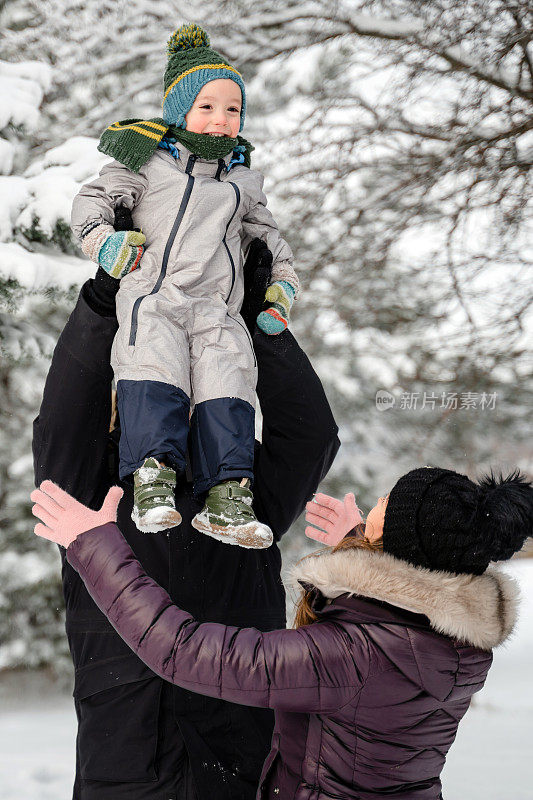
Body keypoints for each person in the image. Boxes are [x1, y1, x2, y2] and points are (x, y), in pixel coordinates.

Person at [32, 233, 340, 798]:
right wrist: (104, 301)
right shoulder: (97, 497)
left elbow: (311, 436)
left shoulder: (248, 502)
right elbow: (63, 421)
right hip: (127, 772)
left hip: (240, 766)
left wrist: (259, 332)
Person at [31, 467, 532, 799]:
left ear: (394, 538)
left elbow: (185, 651)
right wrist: (362, 549)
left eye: (386, 504)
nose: (377, 501)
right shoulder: (458, 641)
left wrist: (92, 544)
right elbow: (402, 607)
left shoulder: (350, 657)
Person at [71, 22, 300, 542]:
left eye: (233, 109)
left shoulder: (243, 179)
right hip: (154, 295)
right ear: (179, 110)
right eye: (207, 106)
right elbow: (93, 199)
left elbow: (269, 237)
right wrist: (102, 240)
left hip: (217, 307)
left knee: (230, 384)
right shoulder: (148, 159)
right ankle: (153, 477)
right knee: (155, 374)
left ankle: (229, 494)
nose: (222, 119)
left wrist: (281, 286)